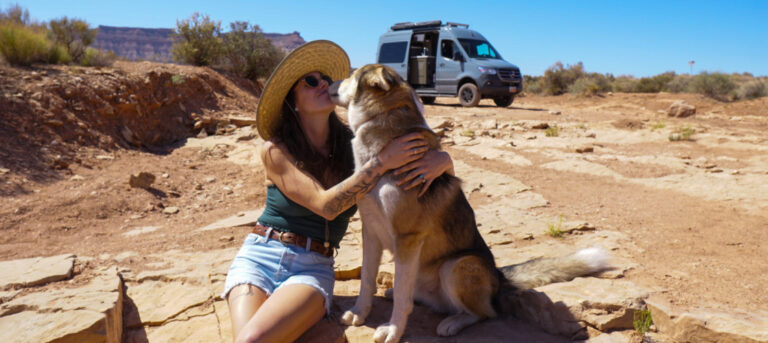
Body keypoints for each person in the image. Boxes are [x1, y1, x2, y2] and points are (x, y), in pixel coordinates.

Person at [222, 40, 455, 343]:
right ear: (293, 100)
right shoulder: (275, 150)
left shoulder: (355, 145)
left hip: (312, 266)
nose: (324, 84)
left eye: (325, 79)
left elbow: (419, 169)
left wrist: (444, 160)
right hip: (259, 255)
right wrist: (382, 161)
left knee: (253, 340)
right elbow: (326, 206)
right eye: (310, 81)